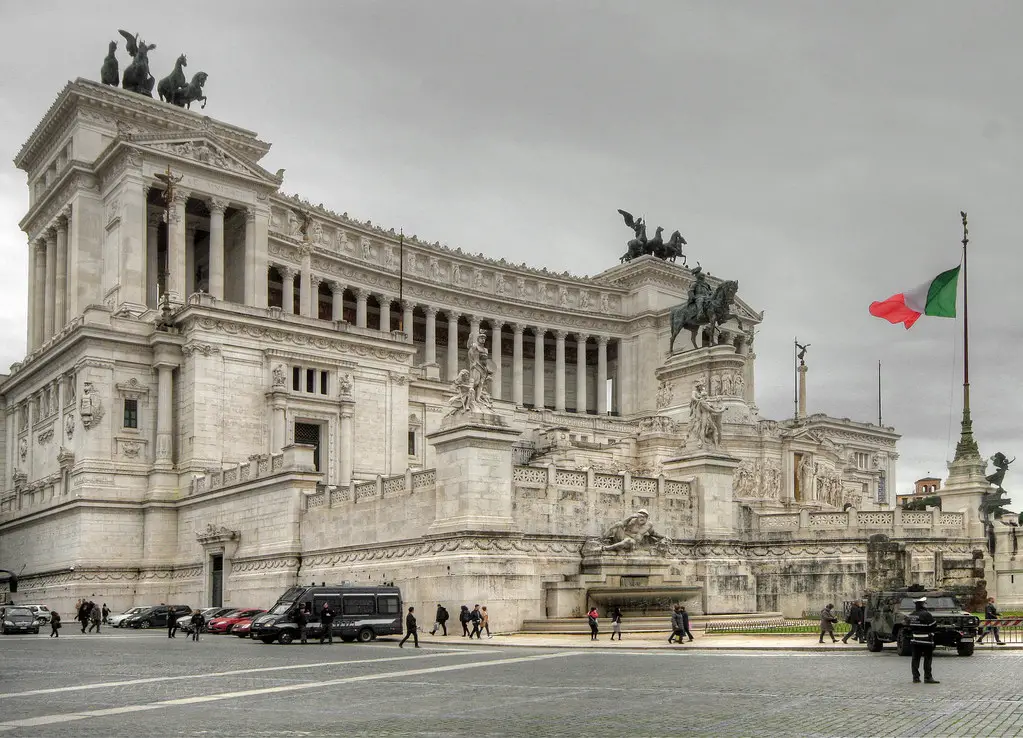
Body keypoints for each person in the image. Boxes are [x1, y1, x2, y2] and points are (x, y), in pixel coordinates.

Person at [908, 597, 939, 683]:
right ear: (922, 604)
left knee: (915, 659)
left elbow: (909, 627)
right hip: (926, 640)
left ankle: (916, 677)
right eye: (925, 603)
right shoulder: (927, 614)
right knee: (927, 659)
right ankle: (928, 677)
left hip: (915, 640)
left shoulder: (912, 614)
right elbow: (933, 625)